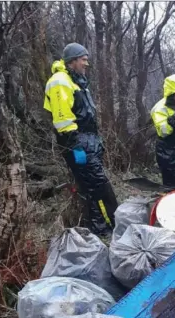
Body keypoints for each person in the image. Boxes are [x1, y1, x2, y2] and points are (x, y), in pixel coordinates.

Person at [44, 43, 118, 236]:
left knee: (96, 185)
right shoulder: (60, 81)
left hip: (89, 142)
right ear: (73, 61)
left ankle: (107, 227)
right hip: (77, 143)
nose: (86, 63)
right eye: (83, 60)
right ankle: (102, 229)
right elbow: (63, 120)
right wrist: (75, 146)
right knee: (95, 186)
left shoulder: (77, 81)